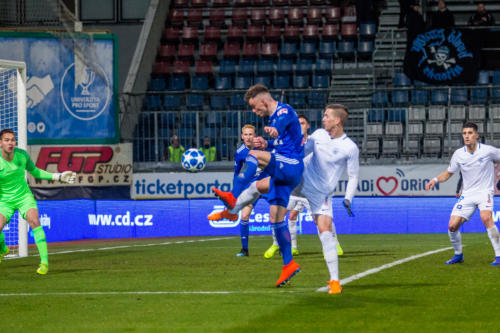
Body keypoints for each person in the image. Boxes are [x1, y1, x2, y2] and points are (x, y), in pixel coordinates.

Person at [217, 105, 359, 294]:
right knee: (259, 185)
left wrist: (348, 198)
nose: (323, 118)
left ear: (337, 120)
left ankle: (334, 281)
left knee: (325, 231)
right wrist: (268, 144)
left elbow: (354, 176)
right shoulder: (318, 135)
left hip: (320, 194)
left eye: (326, 116)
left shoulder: (349, 147)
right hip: (300, 179)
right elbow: (297, 148)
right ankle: (232, 211)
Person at [212, 84, 304, 287]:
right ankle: (288, 264)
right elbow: (283, 140)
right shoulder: (273, 117)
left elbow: (279, 125)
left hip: (291, 165)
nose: (254, 111)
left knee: (252, 155)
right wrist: (267, 144)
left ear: (263, 101)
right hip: (284, 170)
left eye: (254, 107)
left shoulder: (283, 111)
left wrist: (273, 131)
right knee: (276, 220)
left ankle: (233, 197)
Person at [264, 115, 345, 259]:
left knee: (319, 219)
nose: (299, 126)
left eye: (302, 123)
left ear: (307, 126)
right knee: (277, 215)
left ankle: (334, 243)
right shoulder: (287, 143)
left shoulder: (315, 142)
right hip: (294, 189)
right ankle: (279, 244)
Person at [0, 129, 76, 274]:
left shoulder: (22, 156)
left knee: (35, 222)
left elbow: (35, 172)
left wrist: (58, 176)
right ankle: (3, 249)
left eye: (12, 140)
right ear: (0, 143)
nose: (10, 143)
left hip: (24, 197)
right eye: (7, 140)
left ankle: (44, 263)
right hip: (4, 200)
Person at [425, 122, 500, 266]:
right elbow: (448, 174)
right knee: (452, 226)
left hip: (485, 192)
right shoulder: (459, 154)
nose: (467, 136)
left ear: (477, 135)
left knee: (486, 218)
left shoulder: (488, 151)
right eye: (464, 133)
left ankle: (499, 256)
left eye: (470, 133)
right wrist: (435, 180)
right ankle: (458, 255)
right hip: (468, 194)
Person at [208, 125, 267, 257]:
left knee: (277, 215)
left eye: (251, 134)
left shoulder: (262, 146)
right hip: (253, 187)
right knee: (245, 216)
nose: (248, 137)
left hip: (267, 183)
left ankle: (280, 246)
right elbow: (236, 174)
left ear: (255, 135)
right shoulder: (240, 152)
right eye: (245, 134)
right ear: (242, 136)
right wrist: (235, 192)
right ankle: (245, 250)